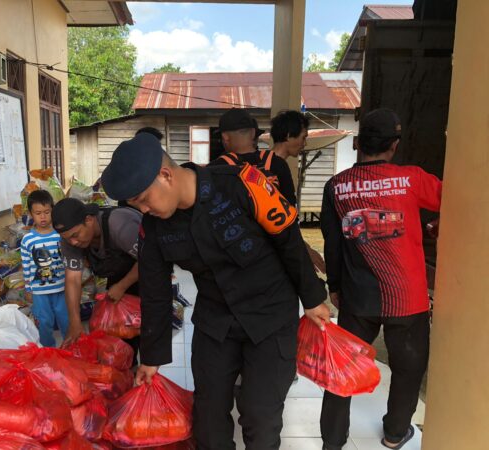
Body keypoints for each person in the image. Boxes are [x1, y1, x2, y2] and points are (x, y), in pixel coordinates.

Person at [101, 133, 330, 450]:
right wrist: (151, 358)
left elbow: (287, 236)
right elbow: (154, 290)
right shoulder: (153, 226)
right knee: (207, 419)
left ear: (166, 175)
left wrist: (313, 297)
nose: (143, 209)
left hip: (270, 315)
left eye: (143, 199)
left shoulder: (240, 183)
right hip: (216, 319)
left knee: (259, 417)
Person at [320, 108, 441, 450]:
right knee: (408, 367)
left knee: (342, 368)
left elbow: (333, 243)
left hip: (358, 298)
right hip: (408, 298)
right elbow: (458, 200)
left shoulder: (336, 186)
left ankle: (332, 439)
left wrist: (336, 287)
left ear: (358, 143)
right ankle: (394, 432)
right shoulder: (413, 179)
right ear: (395, 145)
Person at [210, 108, 325, 273]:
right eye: (303, 137)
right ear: (253, 134)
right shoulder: (277, 164)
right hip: (273, 259)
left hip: (233, 261)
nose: (304, 143)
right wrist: (302, 250)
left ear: (224, 137)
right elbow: (289, 219)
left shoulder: (215, 169)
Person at [52, 197, 142, 349]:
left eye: (75, 235)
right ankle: (129, 367)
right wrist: (75, 323)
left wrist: (122, 286)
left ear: (89, 220)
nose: (73, 242)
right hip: (119, 273)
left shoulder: (119, 224)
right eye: (67, 239)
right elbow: (72, 280)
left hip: (149, 269)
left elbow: (150, 261)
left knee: (147, 329)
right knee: (121, 333)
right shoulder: (69, 239)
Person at [20, 190, 68, 347]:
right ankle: (48, 351)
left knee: (66, 319)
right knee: (44, 323)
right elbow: (26, 265)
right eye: (38, 213)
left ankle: (72, 348)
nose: (43, 217)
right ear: (31, 214)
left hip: (61, 288)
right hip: (39, 292)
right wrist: (28, 289)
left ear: (53, 211)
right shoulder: (28, 240)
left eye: (47, 212)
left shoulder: (61, 235)